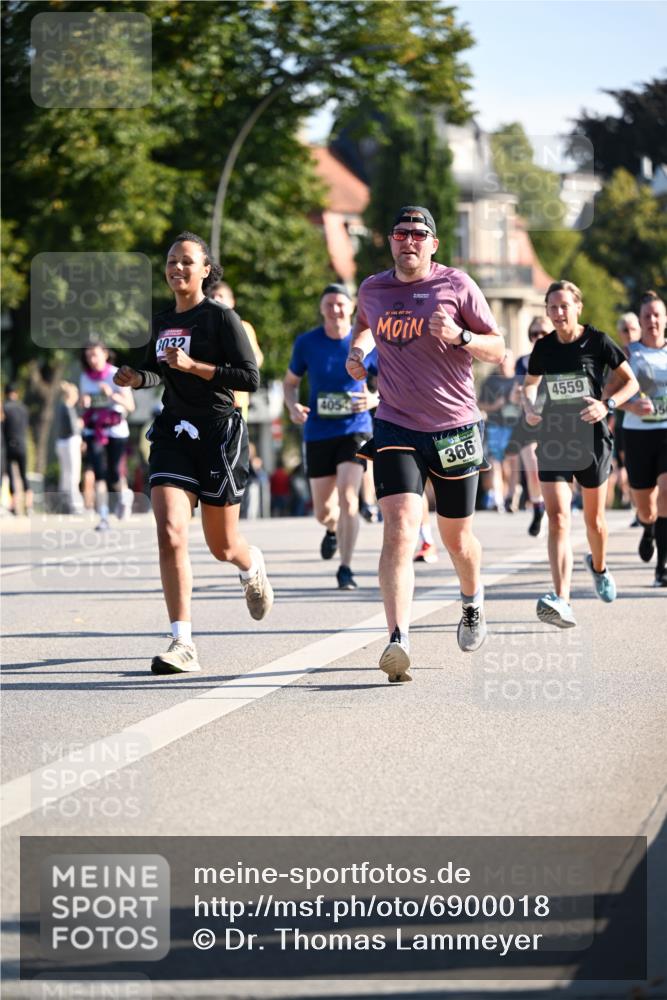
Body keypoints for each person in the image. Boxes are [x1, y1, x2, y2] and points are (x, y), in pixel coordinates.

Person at [346, 205, 505, 682]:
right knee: (399, 526)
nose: (408, 241)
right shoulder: (373, 289)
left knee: (457, 537)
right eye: (400, 233)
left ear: (433, 243)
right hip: (395, 424)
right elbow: (363, 325)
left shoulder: (457, 285)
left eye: (419, 234)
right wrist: (359, 351)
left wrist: (460, 337)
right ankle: (398, 638)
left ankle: (472, 600)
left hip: (455, 427)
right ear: (390, 241)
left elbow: (498, 347)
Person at [114, 231, 273, 674]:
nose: (177, 268)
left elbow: (249, 378)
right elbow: (154, 375)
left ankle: (250, 564)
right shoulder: (162, 322)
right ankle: (182, 641)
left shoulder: (223, 320)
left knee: (222, 545)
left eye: (186, 261)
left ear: (206, 270)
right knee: (170, 531)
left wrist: (195, 367)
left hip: (220, 435)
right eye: (171, 261)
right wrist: (135, 377)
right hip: (173, 435)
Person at [521, 280, 639, 627]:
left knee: (595, 522)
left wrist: (608, 406)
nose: (558, 313)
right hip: (554, 439)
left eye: (564, 306)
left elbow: (630, 381)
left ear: (578, 307)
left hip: (592, 439)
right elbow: (529, 386)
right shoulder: (543, 348)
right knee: (558, 518)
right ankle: (562, 599)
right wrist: (530, 406)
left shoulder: (598, 341)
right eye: (552, 307)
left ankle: (599, 566)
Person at [283, 283, 376, 590]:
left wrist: (374, 401)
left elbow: (390, 381)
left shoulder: (365, 341)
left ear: (351, 308)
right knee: (323, 510)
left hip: (355, 428)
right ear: (322, 309)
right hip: (319, 431)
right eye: (329, 305)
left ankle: (346, 568)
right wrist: (292, 405)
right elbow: (290, 382)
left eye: (341, 304)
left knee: (350, 497)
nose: (335, 309)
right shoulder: (307, 342)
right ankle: (332, 529)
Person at [621, 290, 667, 587]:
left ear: (665, 319)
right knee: (646, 506)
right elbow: (607, 395)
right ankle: (648, 528)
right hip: (637, 434)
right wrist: (630, 405)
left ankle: (661, 567)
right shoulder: (627, 354)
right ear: (640, 320)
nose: (652, 320)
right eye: (647, 315)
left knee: (666, 496)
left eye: (657, 314)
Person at [79, 343, 135, 529]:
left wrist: (111, 394)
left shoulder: (116, 374)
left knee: (114, 474)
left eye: (94, 355)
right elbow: (83, 404)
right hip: (94, 430)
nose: (92, 360)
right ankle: (103, 517)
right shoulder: (85, 378)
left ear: (105, 354)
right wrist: (84, 402)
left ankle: (124, 496)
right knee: (99, 474)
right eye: (88, 357)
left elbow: (130, 406)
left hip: (115, 430)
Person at [504, 317, 551, 535]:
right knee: (532, 464)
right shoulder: (523, 362)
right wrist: (516, 396)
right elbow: (515, 396)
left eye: (543, 333)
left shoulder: (561, 359)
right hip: (529, 421)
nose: (539, 337)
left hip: (556, 421)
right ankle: (538, 506)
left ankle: (556, 507)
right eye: (534, 334)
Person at [207, 280, 264, 422]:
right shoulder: (203, 328)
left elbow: (257, 357)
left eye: (221, 295)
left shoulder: (243, 327)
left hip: (235, 402)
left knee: (232, 443)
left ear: (232, 302)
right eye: (212, 296)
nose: (216, 299)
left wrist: (237, 370)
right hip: (208, 401)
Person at [479, 350, 517, 511]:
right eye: (500, 359)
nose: (502, 363)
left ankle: (510, 495)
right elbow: (479, 404)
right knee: (495, 463)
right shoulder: (490, 381)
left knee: (508, 465)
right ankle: (498, 499)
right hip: (494, 426)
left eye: (506, 359)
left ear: (513, 362)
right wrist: (495, 406)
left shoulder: (519, 380)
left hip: (514, 427)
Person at [612, 312, 641, 517]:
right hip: (625, 422)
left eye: (633, 329)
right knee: (631, 467)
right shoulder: (616, 357)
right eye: (625, 330)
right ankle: (638, 509)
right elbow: (607, 393)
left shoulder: (652, 352)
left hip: (656, 423)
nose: (629, 333)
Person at [1, 385, 32, 515]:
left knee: (11, 477)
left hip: (8, 446)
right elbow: (25, 426)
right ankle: (29, 506)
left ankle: (13, 507)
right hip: (22, 444)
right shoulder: (23, 408)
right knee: (24, 475)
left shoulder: (5, 408)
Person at [55, 381, 84, 514]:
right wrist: (80, 424)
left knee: (65, 474)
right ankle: (75, 504)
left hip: (61, 442)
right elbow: (74, 428)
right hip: (71, 442)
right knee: (74, 473)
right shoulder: (69, 408)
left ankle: (64, 502)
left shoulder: (60, 407)